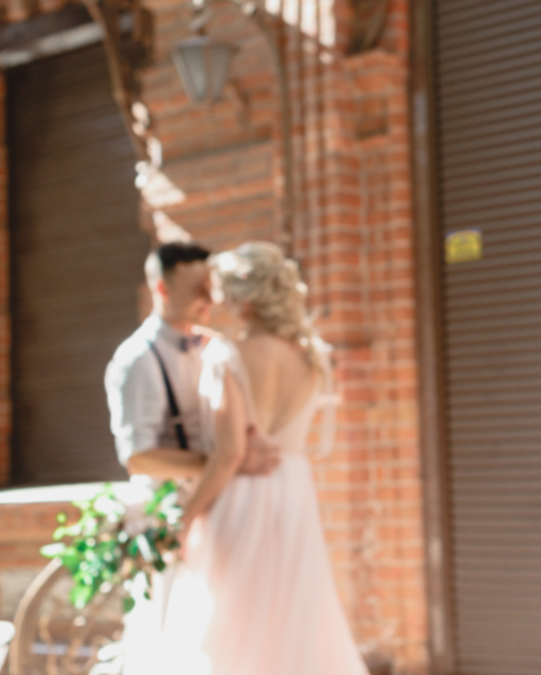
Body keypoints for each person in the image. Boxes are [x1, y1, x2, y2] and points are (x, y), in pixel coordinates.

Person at [129, 241, 368, 675]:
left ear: (243, 298)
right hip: (294, 492)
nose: (213, 298)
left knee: (228, 625)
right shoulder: (312, 355)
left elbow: (230, 453)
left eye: (219, 288)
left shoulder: (228, 353)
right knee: (294, 620)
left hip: (241, 499)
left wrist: (185, 519)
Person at [105, 242, 281, 482]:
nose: (211, 298)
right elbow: (138, 458)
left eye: (212, 288)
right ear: (163, 290)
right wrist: (227, 462)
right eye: (199, 289)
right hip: (171, 506)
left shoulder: (216, 345)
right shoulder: (139, 357)